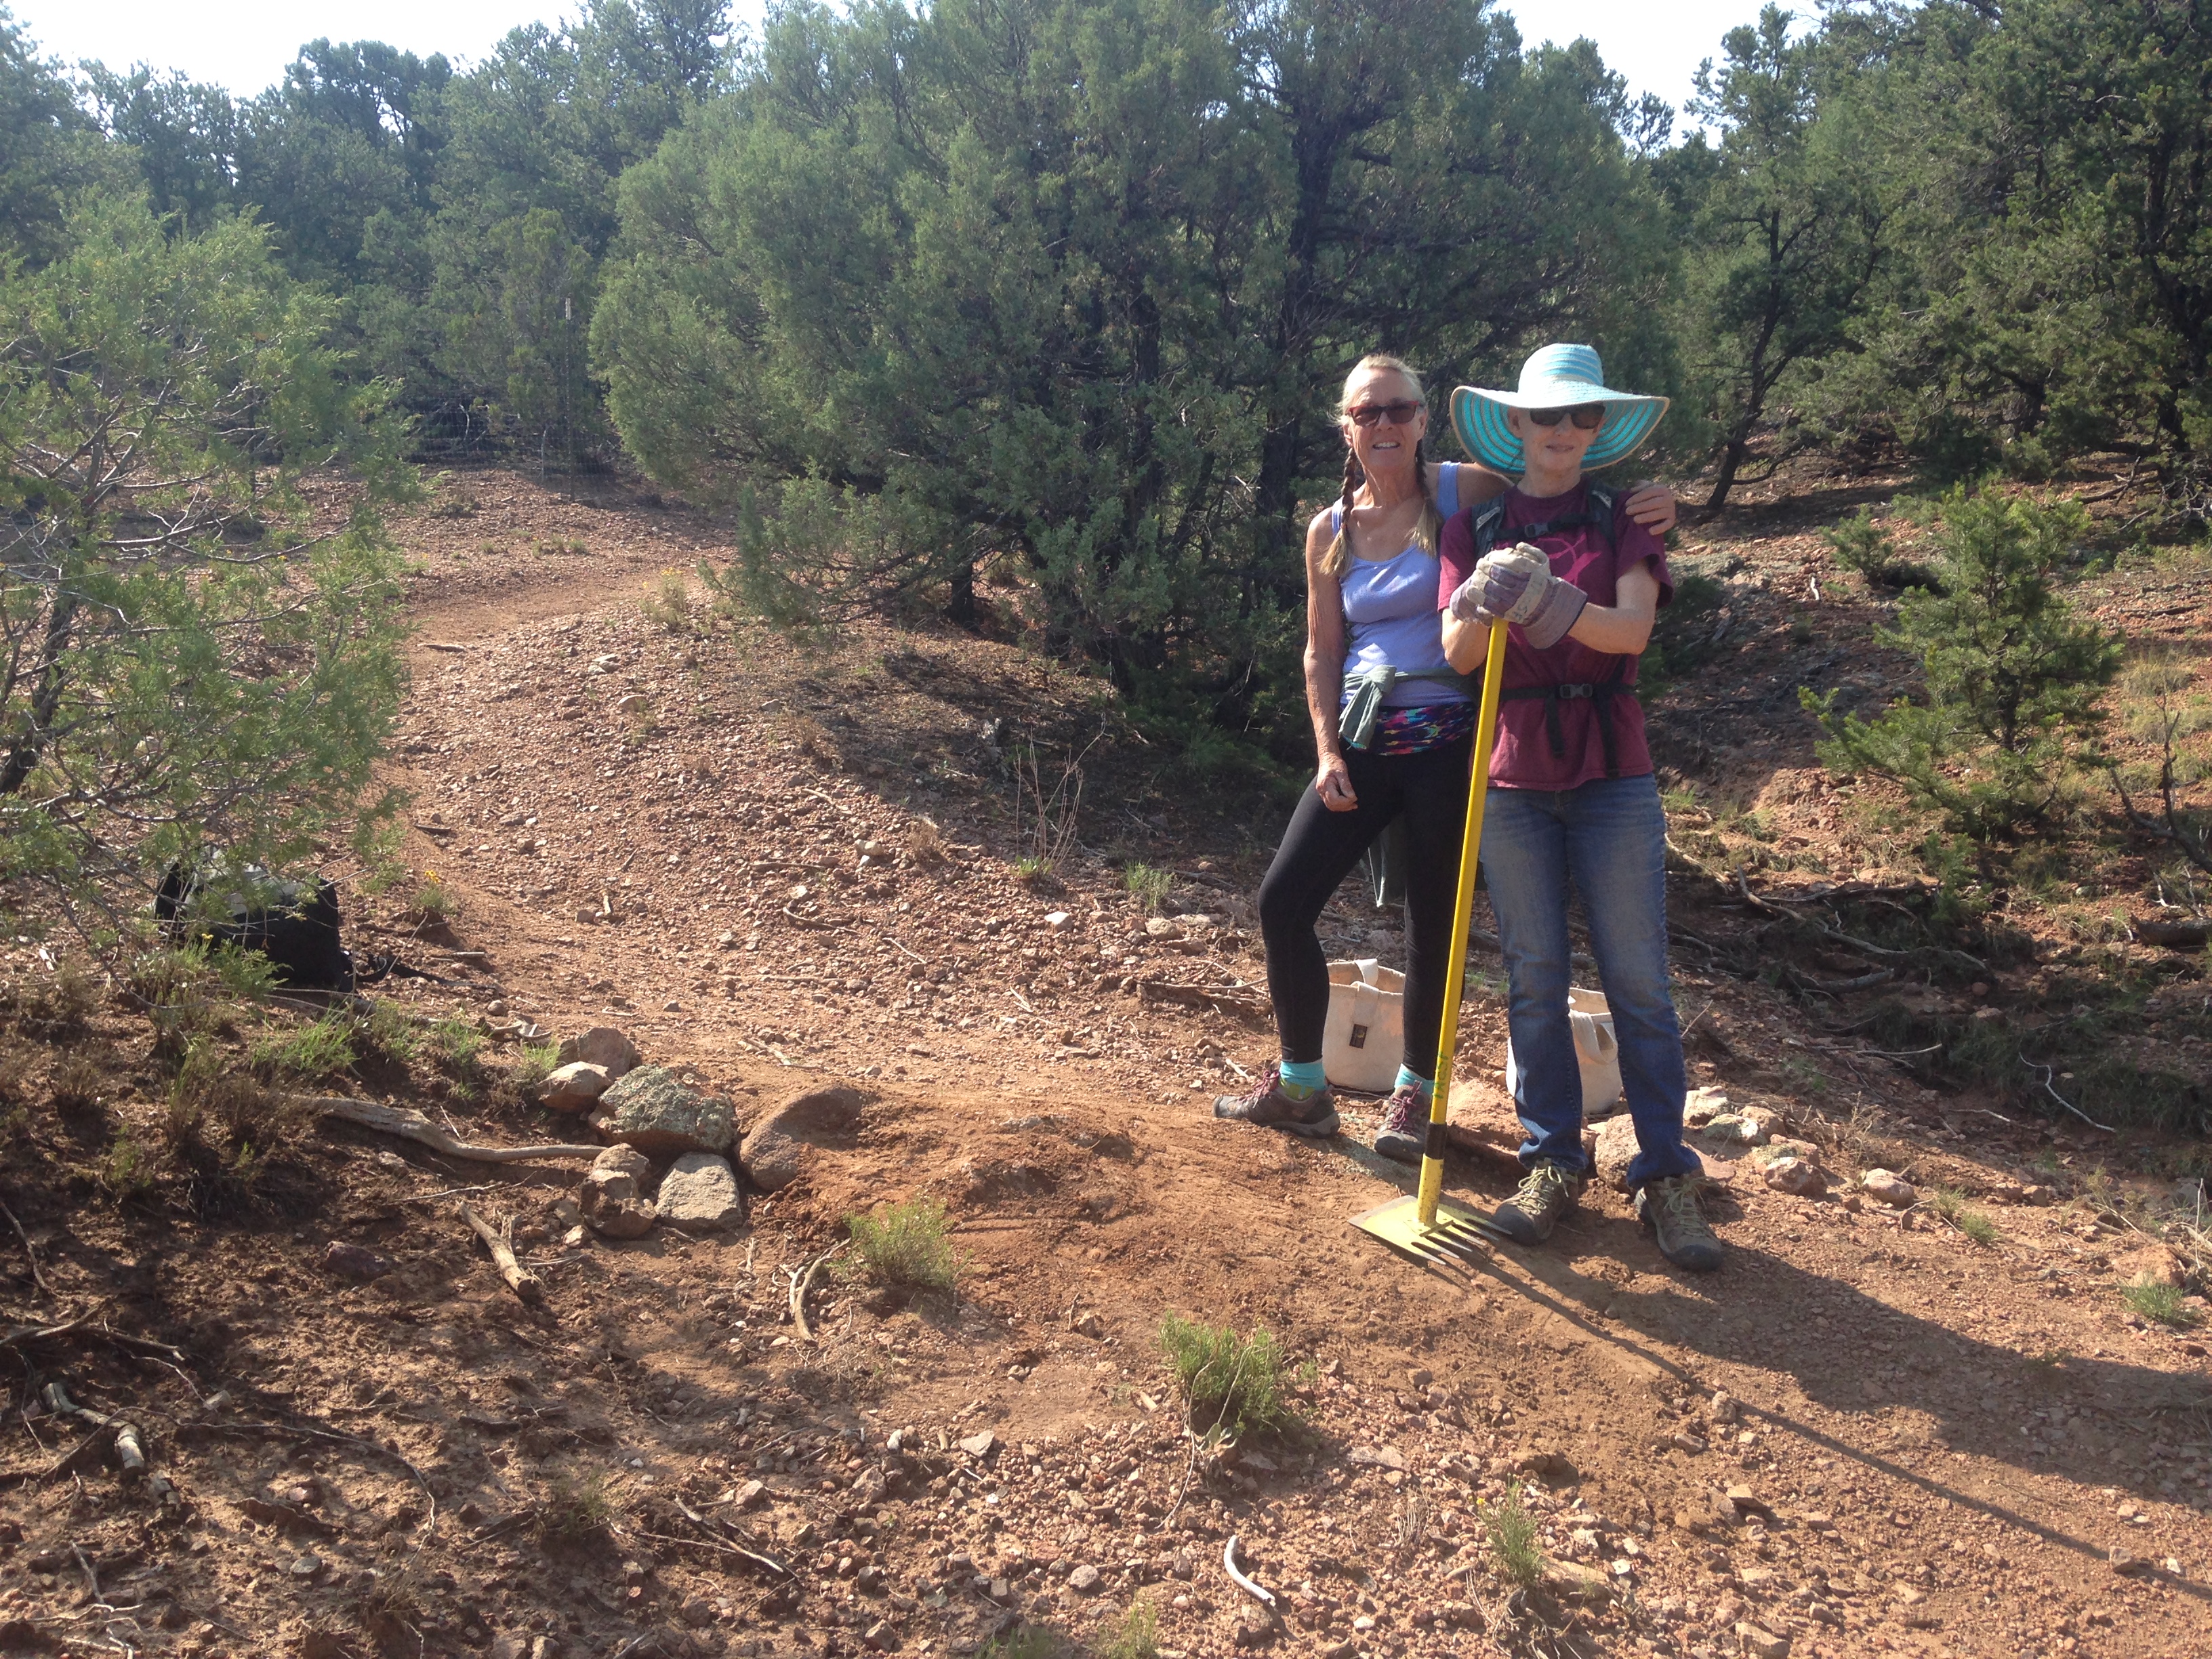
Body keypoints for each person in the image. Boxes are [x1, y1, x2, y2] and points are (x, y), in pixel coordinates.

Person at [1214, 352, 1677, 1164]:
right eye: (1368, 413)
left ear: (1425, 420)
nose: (1385, 424)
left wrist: (1664, 507)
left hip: (1453, 740)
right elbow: (1322, 652)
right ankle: (1301, 1084)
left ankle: (1417, 1097)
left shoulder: (1465, 491)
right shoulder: (1328, 528)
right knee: (1283, 901)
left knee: (1437, 925)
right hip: (1361, 738)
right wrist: (1325, 749)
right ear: (1347, 427)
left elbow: (1561, 497)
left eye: (1400, 409)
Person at [1437, 342, 1719, 1271]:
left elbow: (1632, 629)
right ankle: (1551, 1160)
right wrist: (1486, 602)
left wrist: (1551, 602)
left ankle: (1666, 1175)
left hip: (1612, 770)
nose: (1565, 432)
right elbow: (1460, 655)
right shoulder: (1473, 526)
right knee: (1533, 977)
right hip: (1512, 769)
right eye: (1547, 416)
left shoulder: (1624, 517)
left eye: (1583, 417)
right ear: (1513, 424)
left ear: (1601, 428)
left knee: (1639, 981)